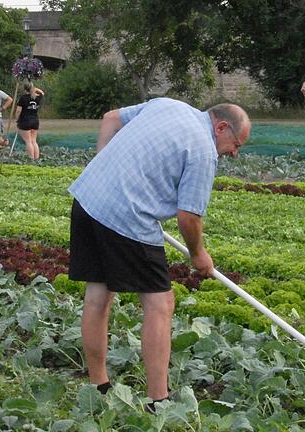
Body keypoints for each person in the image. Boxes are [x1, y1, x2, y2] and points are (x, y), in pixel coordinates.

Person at [67, 98, 250, 412]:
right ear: (221, 127)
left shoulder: (169, 105)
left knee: (98, 295)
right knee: (160, 303)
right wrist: (199, 255)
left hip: (88, 198)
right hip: (128, 214)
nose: (234, 153)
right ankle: (159, 401)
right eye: (236, 144)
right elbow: (188, 217)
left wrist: (105, 171)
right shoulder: (204, 150)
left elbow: (110, 118)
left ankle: (99, 385)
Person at [15, 81, 45, 160]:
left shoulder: (23, 98)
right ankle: (36, 158)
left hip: (25, 121)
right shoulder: (37, 97)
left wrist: (17, 119)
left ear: (24, 89)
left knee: (28, 141)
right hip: (35, 121)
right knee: (34, 141)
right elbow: (42, 93)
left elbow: (18, 111)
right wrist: (35, 89)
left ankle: (31, 158)